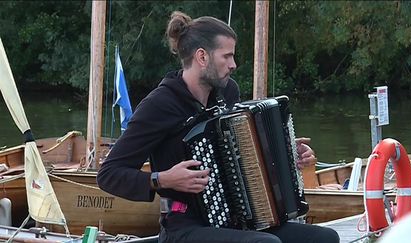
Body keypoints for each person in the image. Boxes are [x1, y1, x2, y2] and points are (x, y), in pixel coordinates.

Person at [97, 11, 340, 243]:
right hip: (183, 226)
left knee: (324, 238)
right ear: (202, 57)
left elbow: (241, 152)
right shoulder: (159, 105)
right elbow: (108, 174)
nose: (233, 64)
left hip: (236, 220)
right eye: (227, 56)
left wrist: (286, 153)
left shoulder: (228, 91)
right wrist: (163, 179)